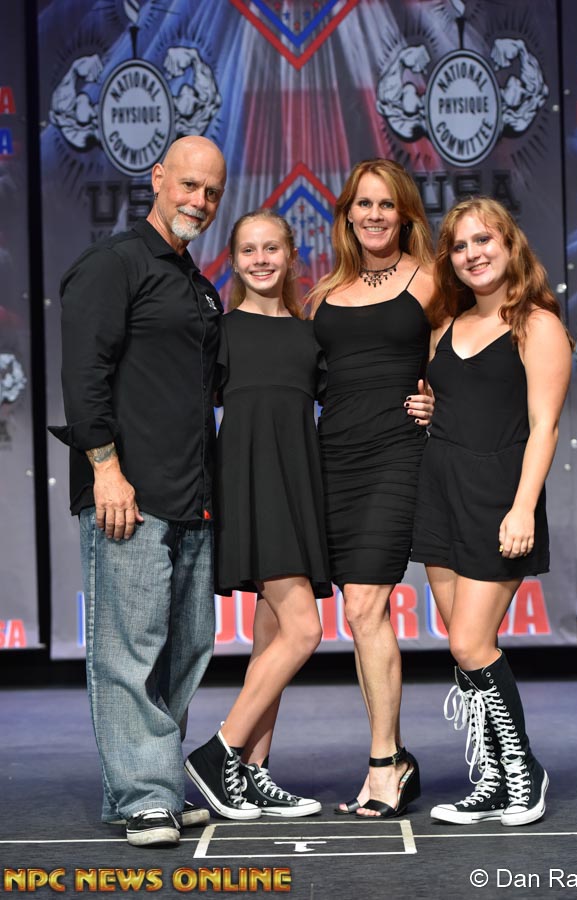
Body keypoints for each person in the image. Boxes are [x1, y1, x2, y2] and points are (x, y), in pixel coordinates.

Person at [49, 136, 227, 847]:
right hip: (130, 493)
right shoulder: (114, 263)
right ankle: (145, 794)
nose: (199, 201)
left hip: (193, 495)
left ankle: (150, 783)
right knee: (130, 650)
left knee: (188, 648)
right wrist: (105, 468)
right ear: (157, 178)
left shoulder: (195, 282)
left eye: (211, 192)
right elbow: (83, 374)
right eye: (188, 185)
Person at [411, 197, 573, 826]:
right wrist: (429, 408)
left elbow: (544, 426)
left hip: (499, 497)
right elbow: (452, 400)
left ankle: (523, 773)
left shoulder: (537, 324)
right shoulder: (444, 326)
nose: (473, 253)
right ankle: (496, 779)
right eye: (459, 245)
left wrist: (523, 507)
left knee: (470, 642)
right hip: (440, 491)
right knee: (465, 649)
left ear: (509, 246)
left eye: (484, 240)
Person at [184, 209, 329, 819]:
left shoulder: (310, 337)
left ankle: (251, 771)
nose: (261, 259)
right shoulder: (220, 333)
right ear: (233, 260)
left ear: (292, 256)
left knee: (271, 637)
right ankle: (219, 753)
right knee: (304, 631)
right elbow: (184, 409)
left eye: (272, 248)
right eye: (249, 250)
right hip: (249, 489)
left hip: (298, 492)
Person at [308, 158, 435, 819]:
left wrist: (439, 402)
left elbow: (463, 356)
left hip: (395, 453)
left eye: (387, 204)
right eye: (364, 203)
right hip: (334, 457)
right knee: (360, 615)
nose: (375, 214)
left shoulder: (431, 279)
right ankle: (392, 755)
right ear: (347, 215)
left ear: (405, 213)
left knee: (364, 606)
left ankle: (385, 763)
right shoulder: (325, 292)